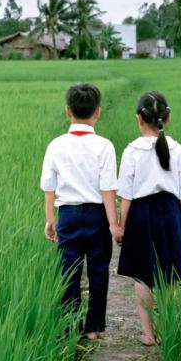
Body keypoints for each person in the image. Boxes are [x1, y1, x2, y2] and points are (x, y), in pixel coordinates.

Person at [40, 82, 121, 339]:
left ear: (68, 111)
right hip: (97, 216)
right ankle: (94, 328)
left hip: (68, 216)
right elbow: (108, 189)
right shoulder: (104, 146)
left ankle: (71, 325)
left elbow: (49, 188)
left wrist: (50, 221)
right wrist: (113, 224)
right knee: (98, 271)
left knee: (69, 271)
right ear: (98, 112)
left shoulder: (56, 145)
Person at [116, 90, 181, 346]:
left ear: (139, 118)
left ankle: (148, 334)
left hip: (141, 214)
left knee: (143, 275)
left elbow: (126, 195)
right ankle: (168, 328)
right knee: (169, 274)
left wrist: (121, 225)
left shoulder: (132, 151)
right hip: (170, 212)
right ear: (167, 118)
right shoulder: (177, 149)